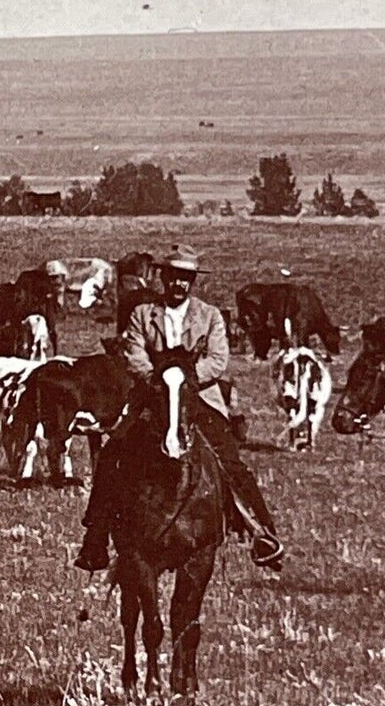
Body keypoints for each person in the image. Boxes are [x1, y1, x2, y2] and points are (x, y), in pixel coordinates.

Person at [74, 245, 284, 573]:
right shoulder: (143, 314)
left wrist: (183, 381)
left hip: (200, 398)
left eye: (186, 279)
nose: (179, 285)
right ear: (163, 277)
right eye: (174, 277)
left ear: (192, 282)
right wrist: (160, 381)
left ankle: (262, 531)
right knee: (113, 452)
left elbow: (217, 360)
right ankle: (96, 536)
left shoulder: (210, 316)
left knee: (230, 461)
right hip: (153, 397)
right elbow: (133, 354)